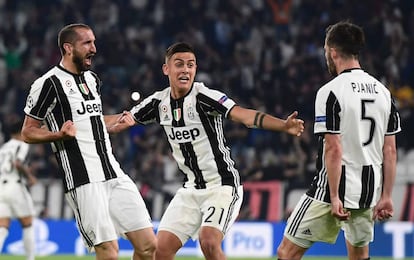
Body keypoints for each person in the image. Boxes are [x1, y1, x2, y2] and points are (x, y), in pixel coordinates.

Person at [122, 42, 304, 260]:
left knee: (208, 241)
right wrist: (86, 124)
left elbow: (244, 116)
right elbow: (123, 121)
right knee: (158, 250)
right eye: (179, 64)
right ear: (166, 69)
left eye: (190, 65)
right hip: (191, 189)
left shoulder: (204, 97)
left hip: (222, 186)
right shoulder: (158, 103)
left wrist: (283, 125)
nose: (185, 70)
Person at [21, 23, 156, 260]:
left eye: (94, 42)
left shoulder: (92, 79)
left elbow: (92, 120)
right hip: (83, 179)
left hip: (113, 172)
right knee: (108, 251)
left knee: (148, 246)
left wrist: (116, 124)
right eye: (87, 43)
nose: (94, 48)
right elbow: (28, 131)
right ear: (68, 48)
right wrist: (58, 135)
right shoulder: (48, 84)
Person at [276, 21, 401, 260]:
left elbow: (333, 148)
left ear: (332, 51)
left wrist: (334, 197)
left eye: (326, 50)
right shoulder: (383, 92)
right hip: (368, 191)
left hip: (332, 190)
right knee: (359, 255)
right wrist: (386, 196)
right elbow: (390, 151)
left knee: (286, 253)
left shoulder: (330, 91)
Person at [0, 116, 37, 260]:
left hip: (2, 189)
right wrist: (30, 177)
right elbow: (17, 163)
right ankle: (30, 258)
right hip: (15, 186)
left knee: (3, 226)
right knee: (27, 224)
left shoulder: (4, 148)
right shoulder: (22, 144)